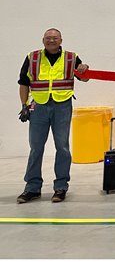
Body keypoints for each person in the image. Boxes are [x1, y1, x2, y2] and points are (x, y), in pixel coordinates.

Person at [17, 28, 89, 204]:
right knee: (36, 148)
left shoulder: (71, 58)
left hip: (62, 106)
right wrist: (24, 105)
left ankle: (61, 187)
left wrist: (84, 69)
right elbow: (23, 83)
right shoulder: (32, 57)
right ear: (43, 40)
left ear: (61, 40)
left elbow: (84, 78)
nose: (51, 41)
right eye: (48, 38)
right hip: (39, 106)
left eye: (54, 38)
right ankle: (32, 188)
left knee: (62, 147)